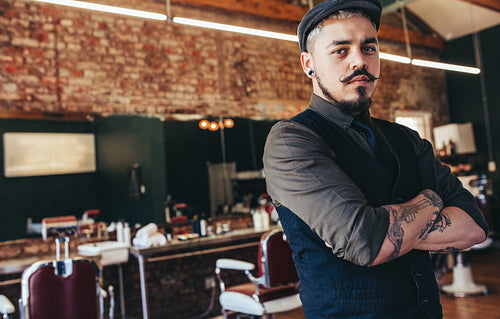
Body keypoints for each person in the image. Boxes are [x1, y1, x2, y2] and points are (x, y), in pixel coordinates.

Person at [262, 0, 488, 318]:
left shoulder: (406, 139)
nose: (360, 61)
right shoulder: (292, 142)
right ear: (308, 63)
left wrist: (387, 228)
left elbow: (475, 227)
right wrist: (431, 199)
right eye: (341, 50)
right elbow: (367, 243)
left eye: (369, 48)